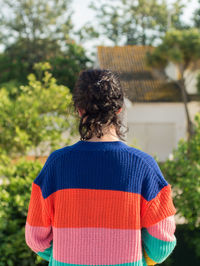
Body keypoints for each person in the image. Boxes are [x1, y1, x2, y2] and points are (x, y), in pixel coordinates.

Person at [25, 69, 177, 266]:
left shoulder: (56, 164)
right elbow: (161, 244)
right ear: (119, 109)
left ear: (79, 109)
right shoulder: (144, 166)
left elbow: (35, 238)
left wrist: (68, 254)